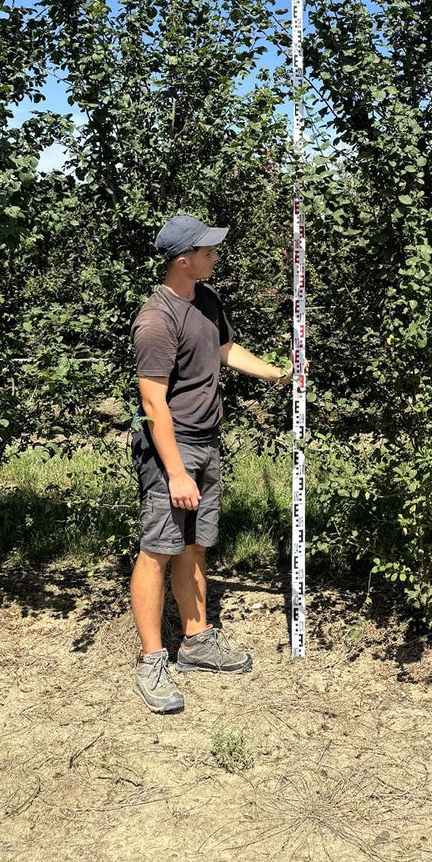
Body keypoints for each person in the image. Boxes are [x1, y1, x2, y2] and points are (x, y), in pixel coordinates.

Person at [129, 214, 293, 714]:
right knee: (157, 549)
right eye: (209, 251)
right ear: (184, 260)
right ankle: (151, 659)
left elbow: (223, 350)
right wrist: (176, 471)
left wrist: (275, 373)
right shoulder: (156, 321)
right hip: (171, 448)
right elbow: (154, 406)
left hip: (207, 441)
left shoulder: (206, 301)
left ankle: (196, 642)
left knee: (195, 545)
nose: (216, 256)